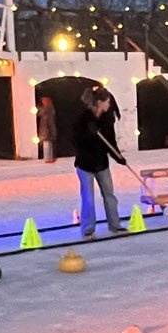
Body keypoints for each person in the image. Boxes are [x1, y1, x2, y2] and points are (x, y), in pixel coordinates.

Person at [72, 88, 128, 239]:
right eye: (107, 102)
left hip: (101, 163)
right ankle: (88, 229)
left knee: (109, 195)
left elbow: (111, 142)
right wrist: (88, 134)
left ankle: (115, 225)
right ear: (99, 102)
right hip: (85, 165)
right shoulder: (84, 119)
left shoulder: (106, 120)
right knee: (88, 198)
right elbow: (75, 141)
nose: (109, 104)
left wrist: (118, 157)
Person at [36, 95, 59, 163]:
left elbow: (46, 116)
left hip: (48, 129)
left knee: (48, 145)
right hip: (45, 129)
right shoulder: (47, 109)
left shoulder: (49, 109)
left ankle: (49, 158)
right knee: (47, 145)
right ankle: (48, 158)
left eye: (45, 101)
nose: (43, 102)